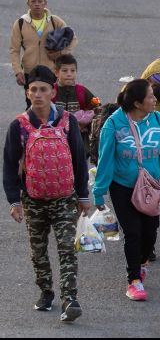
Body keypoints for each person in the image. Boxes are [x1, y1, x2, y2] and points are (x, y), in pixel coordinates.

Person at [2, 66, 89, 322]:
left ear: (53, 92)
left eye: (43, 89)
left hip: (65, 197)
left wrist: (83, 195)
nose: (38, 94)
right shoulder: (19, 126)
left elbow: (79, 159)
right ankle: (46, 291)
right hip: (33, 199)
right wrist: (14, 201)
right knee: (38, 251)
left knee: (67, 248)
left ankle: (70, 299)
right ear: (27, 93)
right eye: (33, 90)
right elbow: (9, 165)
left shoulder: (67, 121)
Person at [93, 79, 160, 301]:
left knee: (150, 233)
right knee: (133, 232)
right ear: (138, 103)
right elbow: (105, 160)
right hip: (122, 187)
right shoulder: (114, 124)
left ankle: (142, 261)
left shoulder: (159, 121)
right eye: (150, 96)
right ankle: (134, 280)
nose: (155, 99)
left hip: (151, 186)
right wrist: (99, 193)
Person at [11, 0, 78, 106]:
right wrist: (18, 72)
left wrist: (61, 53)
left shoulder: (54, 21)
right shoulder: (20, 23)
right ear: (28, 4)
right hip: (30, 72)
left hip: (51, 71)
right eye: (33, 1)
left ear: (45, 3)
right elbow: (14, 50)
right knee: (32, 104)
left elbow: (73, 39)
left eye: (40, 1)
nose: (37, 4)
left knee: (52, 104)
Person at [52, 55, 100, 156]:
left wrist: (86, 122)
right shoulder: (51, 92)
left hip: (79, 141)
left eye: (72, 71)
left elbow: (98, 107)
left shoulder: (82, 91)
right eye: (65, 71)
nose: (69, 74)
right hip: (55, 142)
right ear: (56, 72)